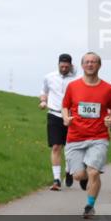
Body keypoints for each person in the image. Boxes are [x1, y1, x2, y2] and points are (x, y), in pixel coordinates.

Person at [62, 52, 111, 219]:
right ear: (82, 65)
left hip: (98, 137)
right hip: (75, 136)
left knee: (93, 172)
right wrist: (66, 117)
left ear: (99, 65)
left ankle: (89, 206)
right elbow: (65, 106)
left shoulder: (108, 89)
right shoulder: (73, 86)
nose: (90, 64)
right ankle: (77, 173)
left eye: (93, 62)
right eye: (87, 62)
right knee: (79, 175)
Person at [40, 53, 76, 190]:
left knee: (70, 148)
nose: (64, 69)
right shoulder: (49, 77)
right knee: (56, 146)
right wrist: (43, 101)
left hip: (71, 117)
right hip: (54, 114)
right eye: (62, 66)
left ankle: (68, 171)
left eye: (67, 66)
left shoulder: (76, 79)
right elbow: (44, 91)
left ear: (71, 66)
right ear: (58, 64)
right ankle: (56, 180)